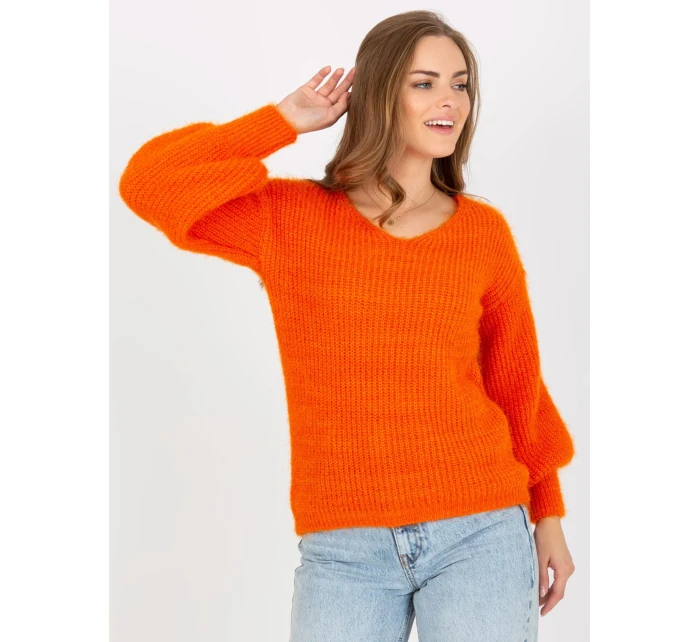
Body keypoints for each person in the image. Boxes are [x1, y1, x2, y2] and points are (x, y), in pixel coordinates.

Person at [119, 9, 577, 641]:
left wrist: (548, 513)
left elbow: (516, 384)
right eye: (424, 83)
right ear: (379, 93)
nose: (450, 100)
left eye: (460, 84)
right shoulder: (290, 221)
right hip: (343, 547)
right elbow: (149, 183)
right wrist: (282, 121)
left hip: (482, 528)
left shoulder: (483, 233)